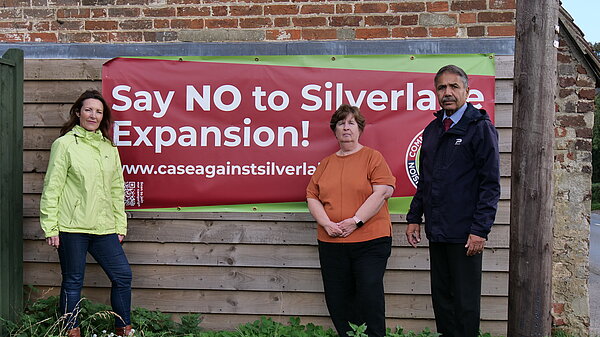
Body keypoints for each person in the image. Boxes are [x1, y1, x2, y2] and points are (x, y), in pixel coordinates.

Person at [405, 65, 500, 337]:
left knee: (465, 303)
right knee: (443, 301)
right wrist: (414, 218)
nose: (447, 93)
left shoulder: (480, 128)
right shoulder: (433, 130)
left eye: (454, 87)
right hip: (438, 231)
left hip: (466, 234)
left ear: (467, 91)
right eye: (442, 87)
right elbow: (426, 180)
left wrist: (480, 229)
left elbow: (490, 184)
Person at [40, 90, 134, 337]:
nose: (93, 115)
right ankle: (71, 331)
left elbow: (117, 189)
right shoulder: (65, 145)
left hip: (104, 228)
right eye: (89, 110)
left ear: (104, 118)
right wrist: (51, 227)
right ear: (78, 112)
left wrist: (119, 225)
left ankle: (124, 329)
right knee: (72, 282)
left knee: (123, 276)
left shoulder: (109, 148)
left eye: (99, 111)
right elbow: (53, 187)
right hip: (72, 228)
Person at [306, 104, 396, 337]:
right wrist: (326, 224)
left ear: (360, 129)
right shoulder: (326, 163)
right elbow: (312, 196)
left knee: (368, 291)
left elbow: (382, 191)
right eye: (341, 123)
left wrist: (355, 221)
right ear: (334, 130)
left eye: (351, 123)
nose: (346, 128)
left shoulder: (373, 157)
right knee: (338, 298)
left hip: (370, 241)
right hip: (332, 242)